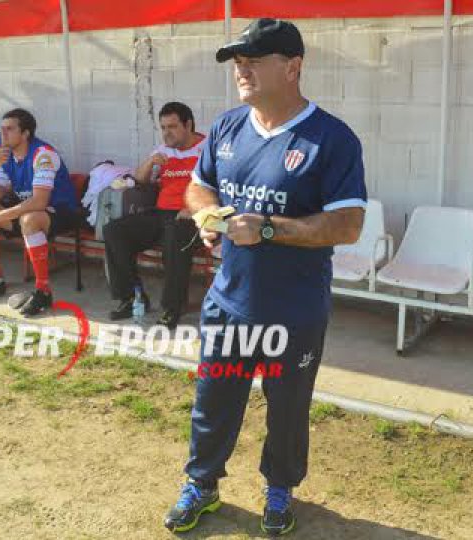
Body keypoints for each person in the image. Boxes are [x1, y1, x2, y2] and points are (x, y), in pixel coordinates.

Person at [163, 19, 366, 536]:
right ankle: (202, 485)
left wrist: (269, 229)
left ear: (293, 66)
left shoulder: (332, 139)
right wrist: (209, 217)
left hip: (293, 310)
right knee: (214, 402)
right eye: (238, 61)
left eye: (254, 59)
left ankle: (280, 491)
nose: (242, 70)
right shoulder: (228, 127)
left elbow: (348, 224)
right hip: (229, 304)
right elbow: (197, 188)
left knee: (288, 411)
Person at [0, 108, 80, 316]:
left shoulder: (42, 154)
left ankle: (43, 291)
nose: (4, 134)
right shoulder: (5, 155)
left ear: (26, 133)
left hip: (60, 211)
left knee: (29, 220)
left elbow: (39, 201)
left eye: (10, 129)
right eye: (2, 129)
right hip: (26, 211)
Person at [104, 101, 205, 329]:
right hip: (162, 212)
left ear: (188, 124)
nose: (167, 133)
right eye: (163, 127)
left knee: (175, 235)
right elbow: (139, 180)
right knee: (114, 231)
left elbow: (220, 186)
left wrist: (195, 209)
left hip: (191, 217)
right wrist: (150, 162)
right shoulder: (163, 150)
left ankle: (172, 307)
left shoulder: (208, 148)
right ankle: (132, 297)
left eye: (172, 126)